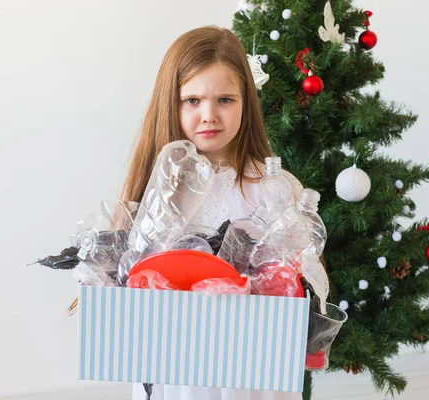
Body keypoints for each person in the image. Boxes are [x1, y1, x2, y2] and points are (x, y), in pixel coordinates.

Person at [119, 25, 304, 400]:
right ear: (171, 103)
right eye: (192, 100)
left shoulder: (275, 186)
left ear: (246, 102)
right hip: (170, 368)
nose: (209, 115)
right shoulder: (159, 188)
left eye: (225, 100)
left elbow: (299, 278)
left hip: (248, 368)